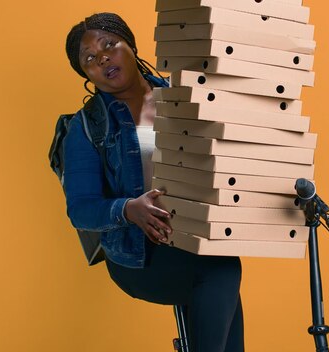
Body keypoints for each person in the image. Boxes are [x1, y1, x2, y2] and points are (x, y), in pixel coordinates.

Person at [62, 13, 244, 352]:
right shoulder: (87, 127)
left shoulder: (185, 96)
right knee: (220, 269)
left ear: (130, 45)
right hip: (138, 255)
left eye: (109, 45)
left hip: (194, 239)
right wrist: (129, 210)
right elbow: (81, 209)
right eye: (89, 59)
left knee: (218, 279)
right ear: (86, 74)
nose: (101, 58)